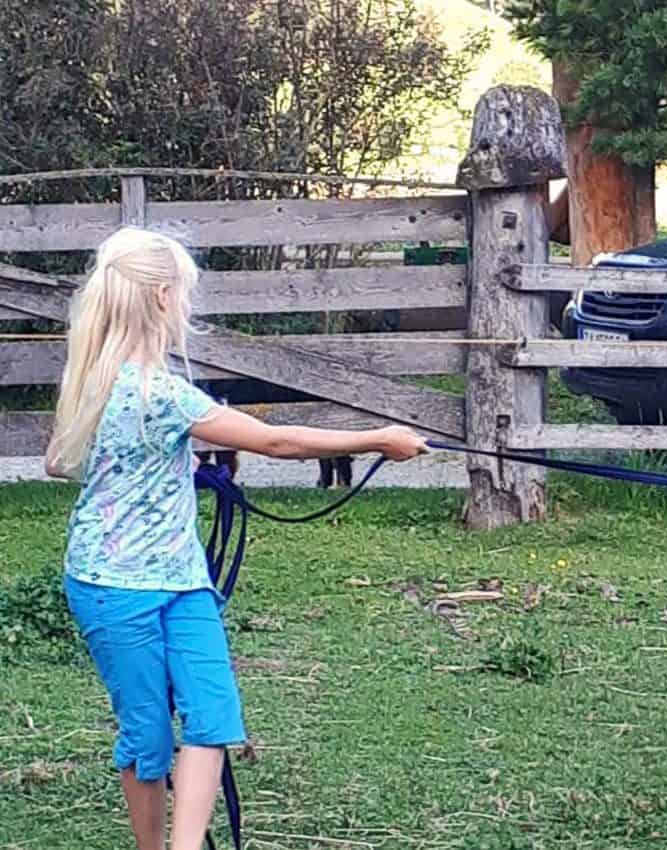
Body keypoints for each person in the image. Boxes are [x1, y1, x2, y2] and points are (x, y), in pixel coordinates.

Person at [44, 226, 428, 850]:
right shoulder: (162, 394)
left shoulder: (92, 378)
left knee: (213, 716)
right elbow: (277, 441)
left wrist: (164, 462)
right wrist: (379, 439)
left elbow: (58, 464)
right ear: (162, 297)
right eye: (183, 294)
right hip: (115, 589)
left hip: (180, 580)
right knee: (147, 736)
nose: (185, 305)